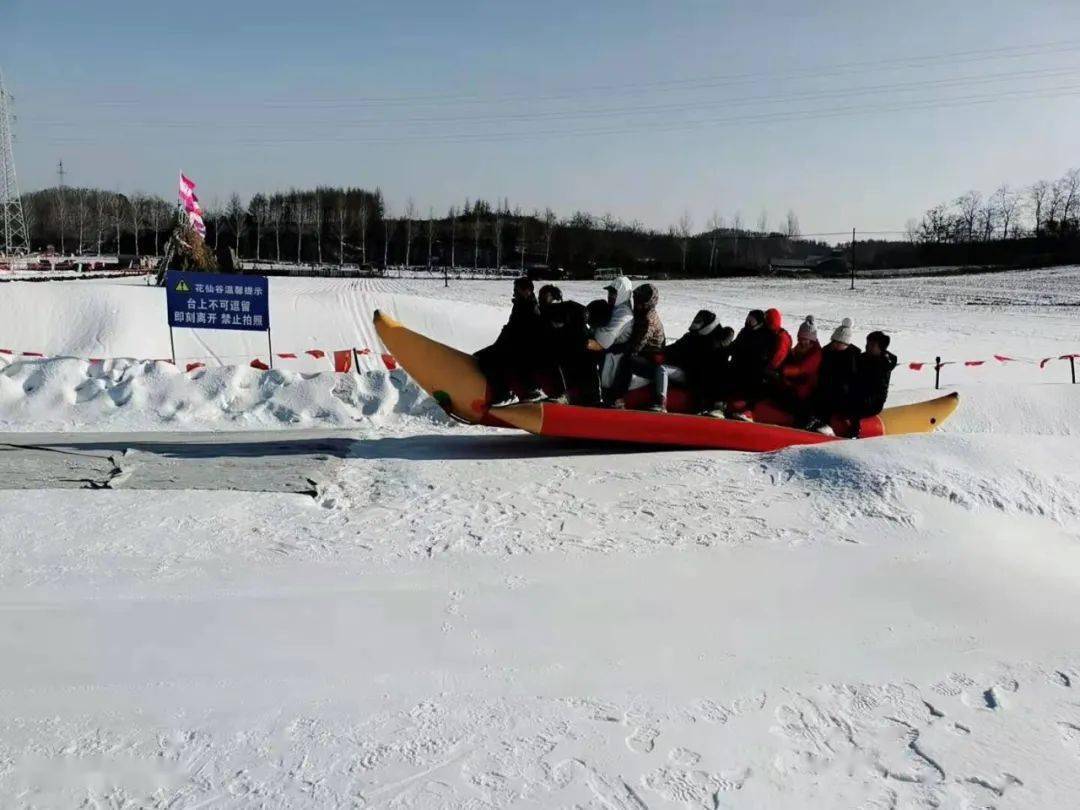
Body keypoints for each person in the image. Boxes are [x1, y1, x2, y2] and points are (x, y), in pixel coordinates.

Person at [473, 276, 544, 405]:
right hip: (508, 345)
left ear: (527, 290)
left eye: (517, 289)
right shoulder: (521, 305)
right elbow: (511, 329)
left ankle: (505, 394)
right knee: (481, 357)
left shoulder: (530, 308)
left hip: (518, 349)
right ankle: (501, 392)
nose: (515, 292)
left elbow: (525, 333)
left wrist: (504, 346)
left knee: (489, 361)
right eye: (515, 289)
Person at [655, 310, 733, 415]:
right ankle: (660, 402)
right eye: (696, 320)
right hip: (689, 373)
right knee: (661, 369)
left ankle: (712, 408)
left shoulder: (717, 341)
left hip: (703, 380)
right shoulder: (691, 337)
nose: (696, 324)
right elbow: (675, 348)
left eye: (699, 321)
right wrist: (657, 352)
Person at [537, 285, 601, 405]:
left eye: (544, 297)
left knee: (585, 386)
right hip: (573, 355)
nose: (541, 299)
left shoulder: (564, 309)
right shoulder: (566, 308)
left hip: (578, 355)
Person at [607, 283, 666, 409]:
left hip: (652, 362)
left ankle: (618, 397)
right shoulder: (639, 314)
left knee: (628, 361)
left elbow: (637, 345)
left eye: (641, 301)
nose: (637, 303)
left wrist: (617, 347)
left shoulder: (648, 320)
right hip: (646, 356)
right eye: (636, 299)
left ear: (649, 303)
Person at [805, 317, 861, 435]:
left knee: (826, 403)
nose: (834, 344)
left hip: (839, 392)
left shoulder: (851, 357)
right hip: (825, 387)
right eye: (834, 341)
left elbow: (850, 379)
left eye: (838, 343)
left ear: (845, 344)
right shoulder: (828, 351)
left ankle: (825, 427)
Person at [586, 276, 635, 401]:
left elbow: (601, 342)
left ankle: (595, 396)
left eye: (614, 293)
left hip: (614, 357)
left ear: (623, 294)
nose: (610, 296)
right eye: (609, 292)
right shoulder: (615, 309)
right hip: (608, 353)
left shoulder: (623, 314)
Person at [773, 315, 823, 426]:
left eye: (803, 339)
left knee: (794, 403)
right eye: (799, 338)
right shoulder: (801, 348)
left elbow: (801, 368)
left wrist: (781, 370)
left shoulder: (816, 353)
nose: (800, 341)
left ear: (811, 340)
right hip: (796, 383)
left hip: (806, 387)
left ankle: (805, 423)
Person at [729, 309, 774, 419]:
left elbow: (762, 355)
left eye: (751, 320)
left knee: (754, 382)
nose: (748, 322)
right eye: (747, 319)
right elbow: (735, 346)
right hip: (738, 366)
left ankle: (748, 411)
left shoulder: (766, 335)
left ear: (759, 321)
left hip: (755, 370)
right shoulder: (744, 332)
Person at [850, 330, 898, 426]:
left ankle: (853, 434)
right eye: (867, 343)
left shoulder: (883, 365)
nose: (867, 346)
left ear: (881, 348)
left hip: (873, 403)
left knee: (851, 409)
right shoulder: (864, 357)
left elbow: (871, 387)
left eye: (872, 345)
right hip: (859, 397)